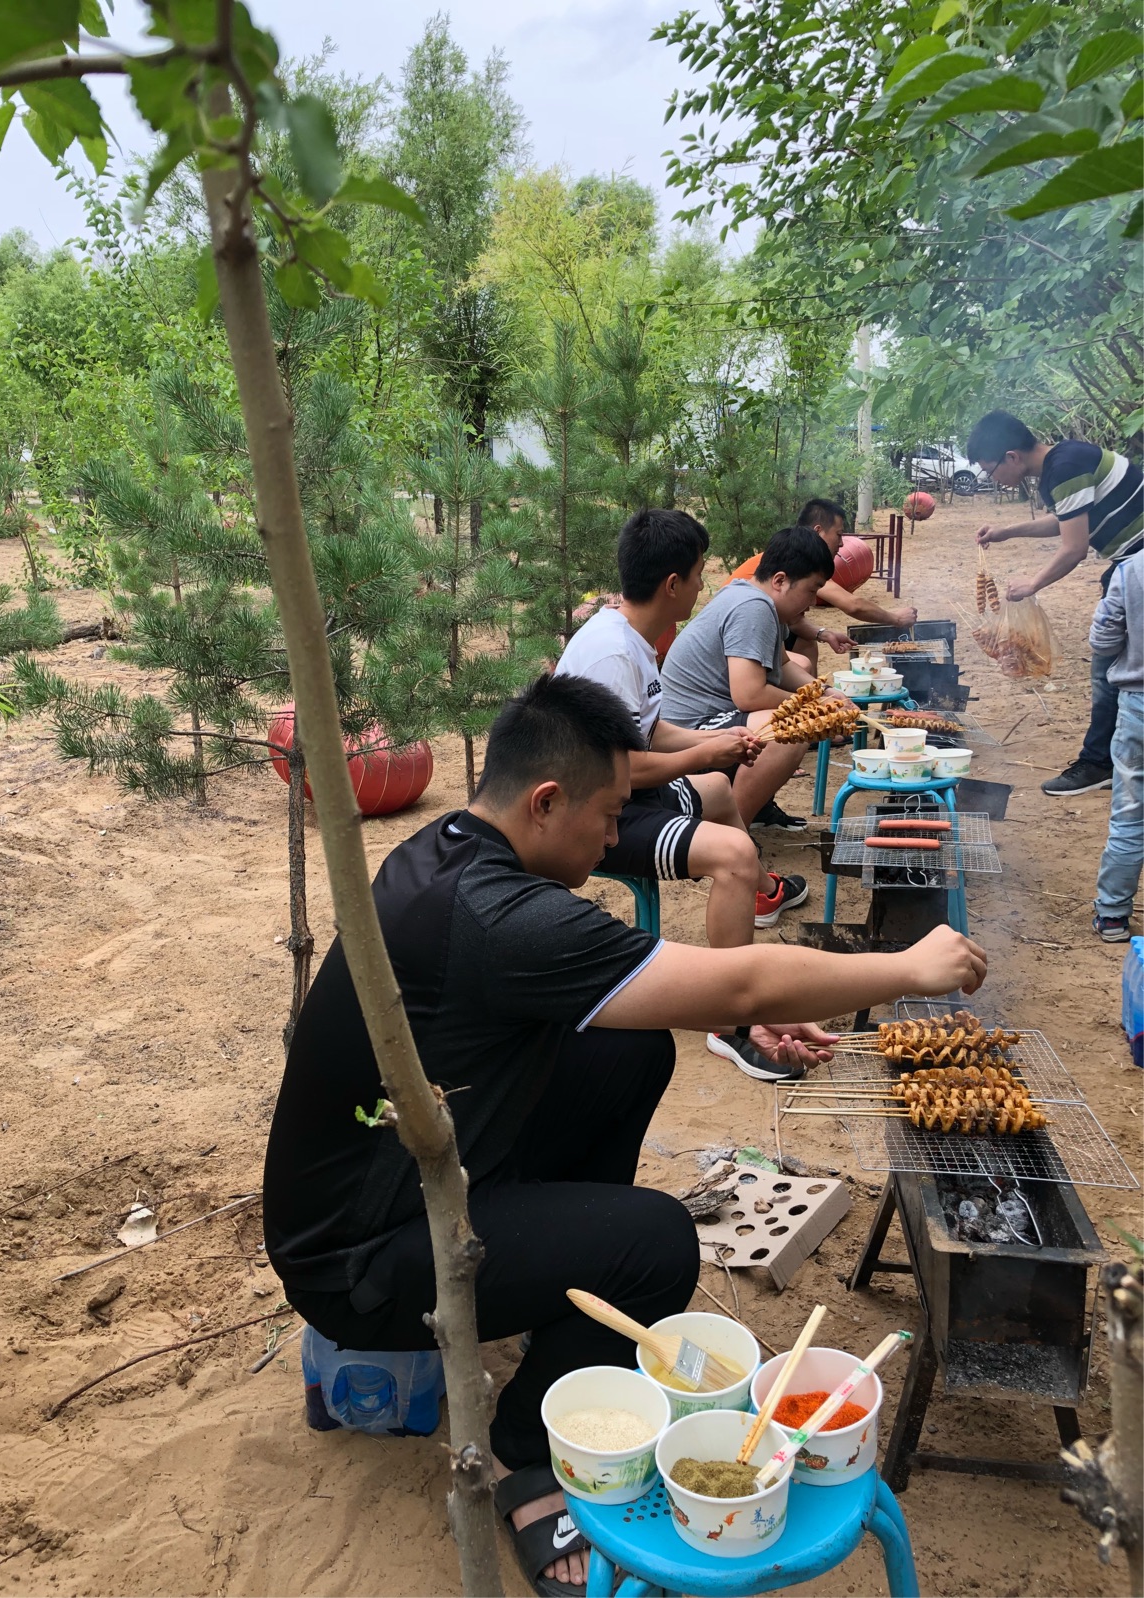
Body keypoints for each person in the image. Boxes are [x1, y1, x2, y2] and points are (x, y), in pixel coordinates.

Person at [263, 672, 987, 1598]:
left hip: (409, 1174)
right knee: (654, 1244)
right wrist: (904, 966)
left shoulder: (448, 852)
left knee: (632, 1050)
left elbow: (681, 1000)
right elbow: (737, 980)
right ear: (546, 800)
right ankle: (528, 1462)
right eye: (608, 816)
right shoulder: (498, 917)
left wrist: (736, 1023)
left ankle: (561, 1292)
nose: (616, 840)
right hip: (356, 1261)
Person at [555, 508, 808, 957]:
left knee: (716, 789)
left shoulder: (632, 637)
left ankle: (762, 893)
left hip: (625, 800)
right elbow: (621, 770)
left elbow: (649, 733)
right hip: (598, 821)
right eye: (696, 576)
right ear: (672, 585)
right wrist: (704, 755)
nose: (701, 587)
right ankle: (732, 1015)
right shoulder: (612, 653)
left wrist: (714, 743)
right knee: (734, 853)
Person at [966, 410, 1144, 796]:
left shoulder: (1066, 466)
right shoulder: (1060, 466)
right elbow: (1064, 520)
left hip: (1137, 562)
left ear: (1012, 456)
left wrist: (1033, 584)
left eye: (990, 469)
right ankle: (1110, 758)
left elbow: (1074, 547)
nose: (992, 478)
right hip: (1129, 563)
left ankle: (1097, 764)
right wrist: (1005, 532)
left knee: (1108, 664)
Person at [660, 525, 841, 837]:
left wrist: (824, 691)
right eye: (812, 589)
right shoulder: (753, 607)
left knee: (792, 700)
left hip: (705, 721)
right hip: (685, 736)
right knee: (791, 729)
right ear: (780, 580)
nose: (812, 602)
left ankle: (755, 808)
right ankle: (732, 837)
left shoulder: (752, 596)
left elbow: (783, 665)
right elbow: (749, 694)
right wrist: (815, 706)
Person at [726, 499, 919, 676]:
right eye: (839, 534)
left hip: (757, 630)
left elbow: (793, 622)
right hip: (739, 635)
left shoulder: (794, 553)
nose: (842, 543)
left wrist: (824, 634)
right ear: (818, 531)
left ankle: (809, 702)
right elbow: (853, 605)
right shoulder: (799, 562)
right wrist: (896, 619)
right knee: (802, 664)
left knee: (807, 641)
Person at [1090, 551, 1143, 942]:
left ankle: (1112, 916)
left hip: (1139, 703)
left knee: (1130, 813)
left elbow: (1103, 639)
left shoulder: (1132, 569)